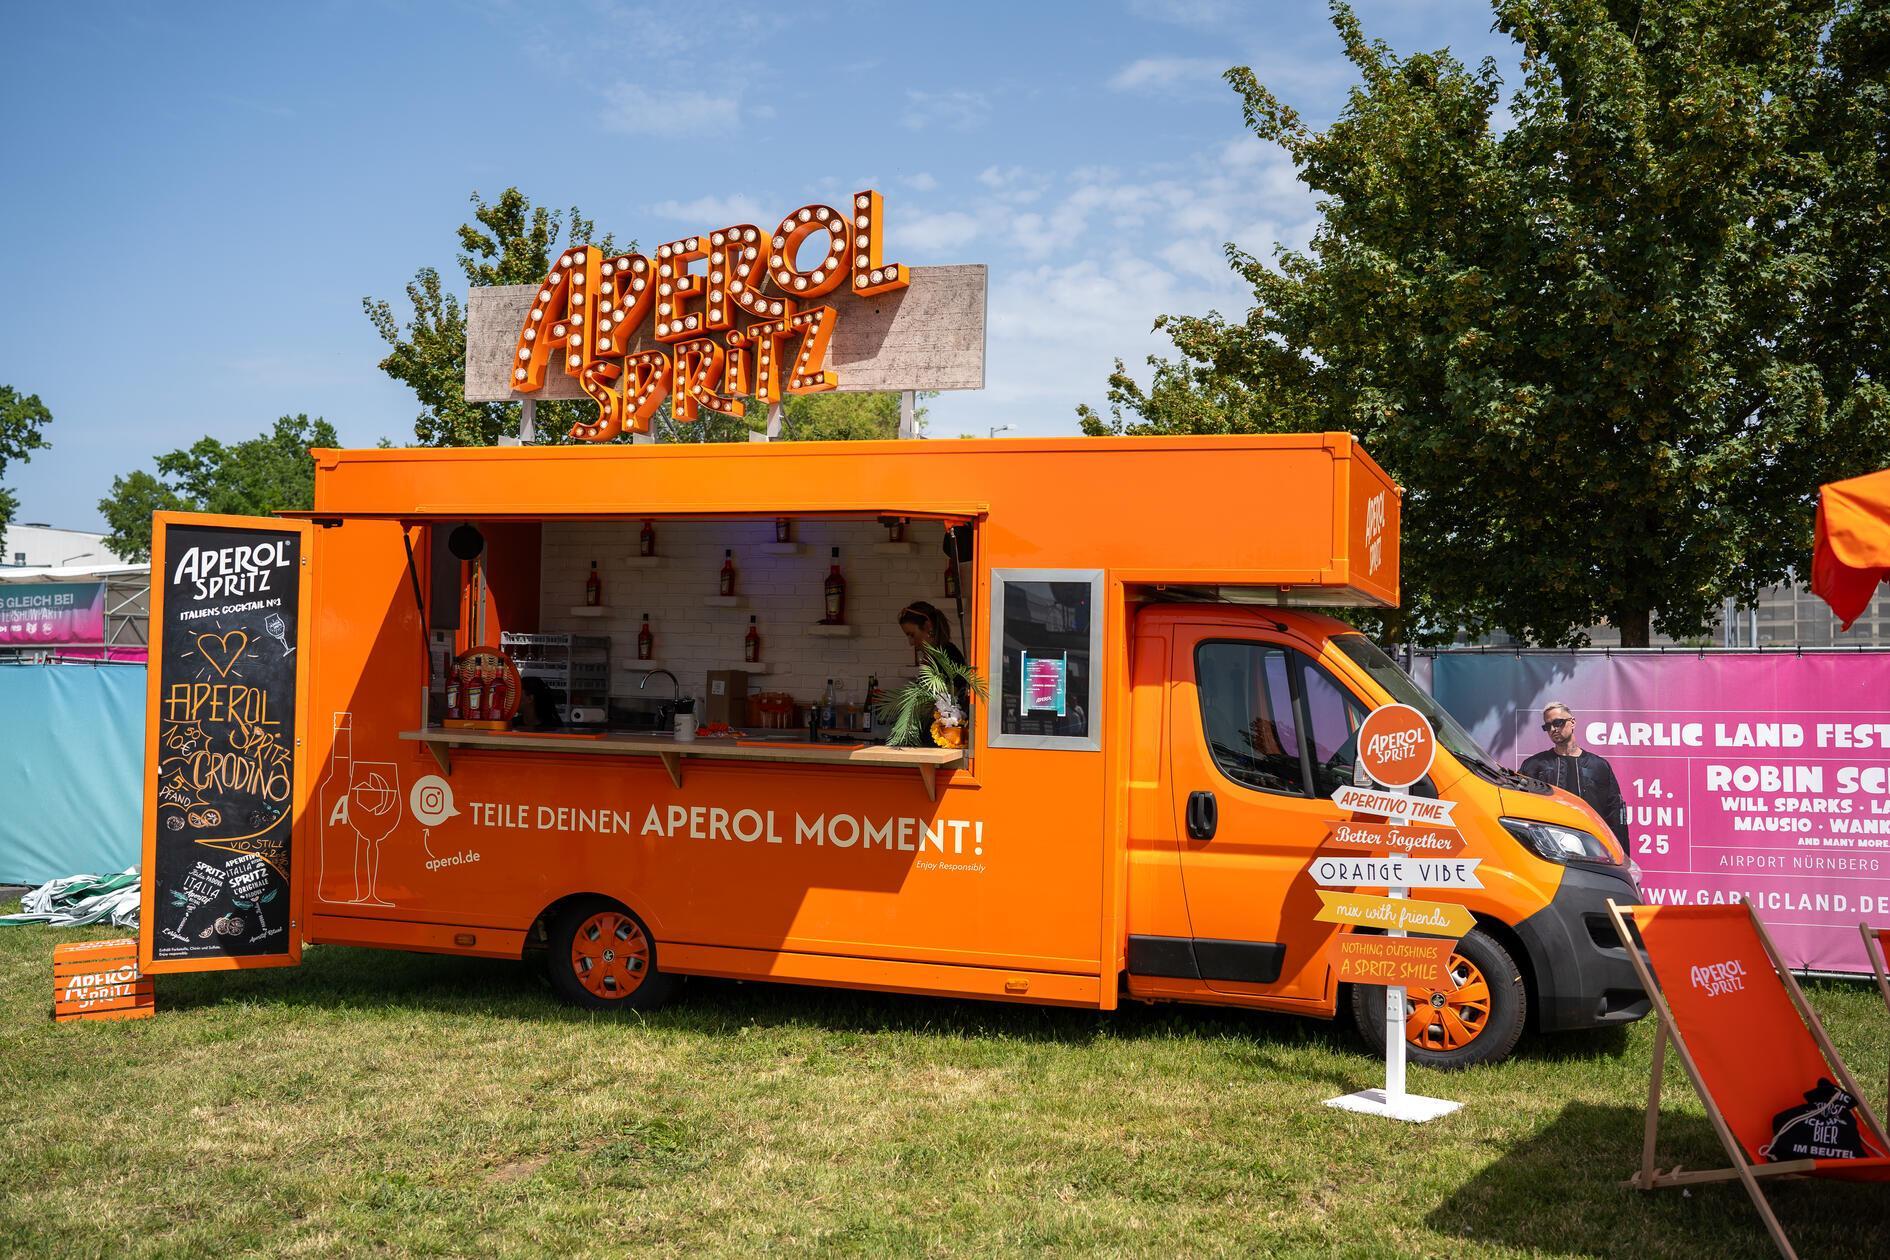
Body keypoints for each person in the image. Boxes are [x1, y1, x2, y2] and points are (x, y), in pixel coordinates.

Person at [1518, 701, 1628, 842]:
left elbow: (1614, 813)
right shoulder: (1534, 765)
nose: (1553, 729)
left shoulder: (1599, 766)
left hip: (1592, 845)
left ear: (1573, 723)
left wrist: (1622, 854)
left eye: (1558, 722)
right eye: (1547, 726)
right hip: (1550, 846)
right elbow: (1521, 808)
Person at [897, 601, 965, 669]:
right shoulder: (937, 655)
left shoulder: (948, 658)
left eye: (912, 635)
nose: (911, 643)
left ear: (927, 626)